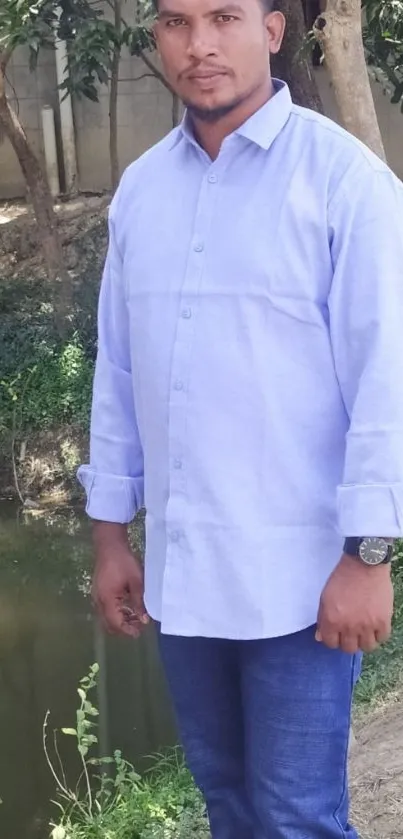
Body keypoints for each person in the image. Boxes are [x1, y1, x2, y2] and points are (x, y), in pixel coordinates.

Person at [78, 0, 403, 835]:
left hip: (301, 581)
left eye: (223, 17)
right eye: (175, 23)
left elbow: (386, 380)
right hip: (184, 580)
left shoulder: (345, 183)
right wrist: (110, 535)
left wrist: (367, 554)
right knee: (228, 805)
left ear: (271, 30)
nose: (199, 46)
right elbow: (118, 372)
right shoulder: (141, 192)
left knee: (296, 816)